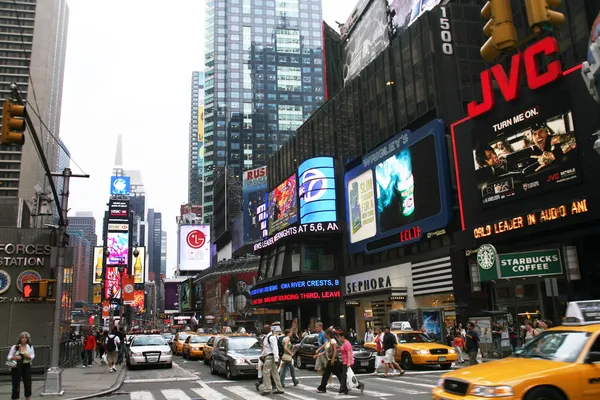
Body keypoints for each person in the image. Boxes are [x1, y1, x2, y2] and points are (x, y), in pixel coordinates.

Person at [7, 332, 35, 400]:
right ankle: (15, 397)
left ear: (27, 339)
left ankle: (28, 397)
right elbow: (9, 356)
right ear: (20, 338)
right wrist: (15, 357)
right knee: (16, 382)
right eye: (22, 337)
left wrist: (29, 357)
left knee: (28, 383)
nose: (24, 339)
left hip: (27, 366)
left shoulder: (30, 346)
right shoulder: (15, 347)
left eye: (26, 338)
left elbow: (33, 355)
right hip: (17, 366)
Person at [260, 324, 284, 395]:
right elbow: (265, 349)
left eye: (264, 328)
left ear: (268, 329)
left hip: (271, 357)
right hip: (270, 357)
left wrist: (276, 359)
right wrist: (262, 355)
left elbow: (275, 349)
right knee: (275, 373)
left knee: (266, 372)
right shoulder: (266, 337)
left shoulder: (271, 337)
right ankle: (279, 389)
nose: (262, 330)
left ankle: (267, 389)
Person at [316, 329, 341, 393]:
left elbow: (335, 350)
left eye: (325, 334)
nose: (324, 335)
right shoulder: (327, 342)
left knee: (339, 374)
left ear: (328, 334)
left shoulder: (333, 341)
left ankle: (346, 386)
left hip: (334, 360)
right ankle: (322, 388)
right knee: (327, 374)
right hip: (329, 360)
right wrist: (318, 355)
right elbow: (325, 351)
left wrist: (333, 359)